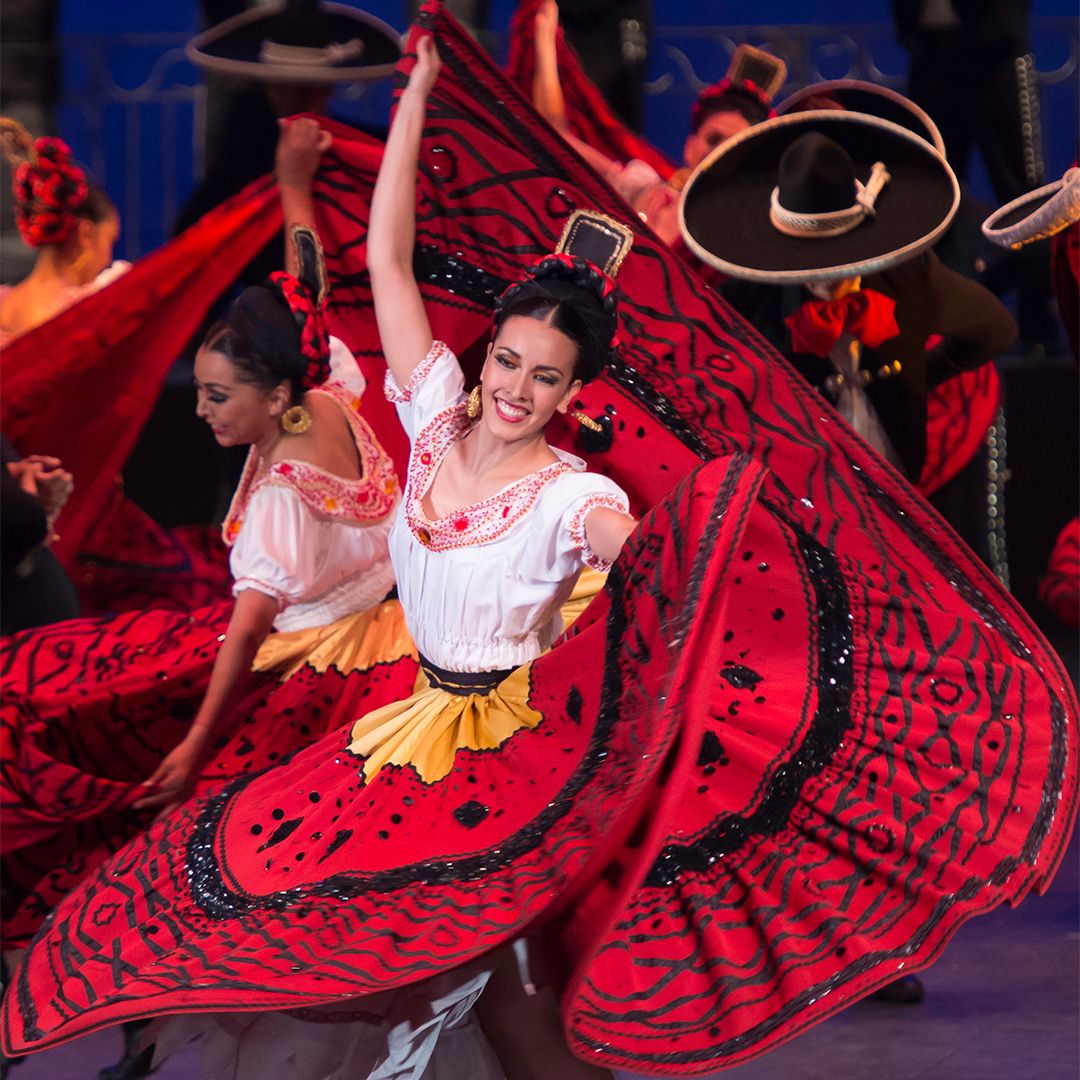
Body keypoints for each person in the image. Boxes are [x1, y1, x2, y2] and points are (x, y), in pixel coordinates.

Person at [3, 14, 1076, 1079]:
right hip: (399, 736)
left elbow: (659, 554)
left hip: (521, 767)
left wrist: (722, 538)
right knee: (337, 962)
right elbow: (384, 258)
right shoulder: (428, 416)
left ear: (570, 392)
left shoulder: (574, 494)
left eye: (544, 377)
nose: (516, 389)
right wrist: (416, 100)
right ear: (488, 360)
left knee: (515, 1003)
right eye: (509, 362)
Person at [1, 118, 414, 961]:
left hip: (305, 677)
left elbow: (251, 627)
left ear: (270, 395)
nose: (200, 410)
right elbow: (311, 282)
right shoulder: (331, 388)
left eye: (219, 396)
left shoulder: (278, 503)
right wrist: (294, 184)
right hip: (394, 652)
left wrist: (194, 743)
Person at [685, 108, 1017, 485]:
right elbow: (705, 384)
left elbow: (995, 328)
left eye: (835, 264)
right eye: (815, 268)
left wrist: (921, 375)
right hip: (801, 491)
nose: (827, 278)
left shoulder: (909, 274)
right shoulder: (748, 298)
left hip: (899, 484)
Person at [522, 0, 784, 245]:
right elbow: (556, 138)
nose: (720, 153)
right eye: (714, 139)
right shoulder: (644, 186)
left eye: (735, 147)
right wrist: (545, 36)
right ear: (689, 146)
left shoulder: (751, 239)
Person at [0, 118, 126, 341]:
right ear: (86, 233)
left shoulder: (5, 306)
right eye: (110, 241)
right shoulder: (85, 311)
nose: (108, 258)